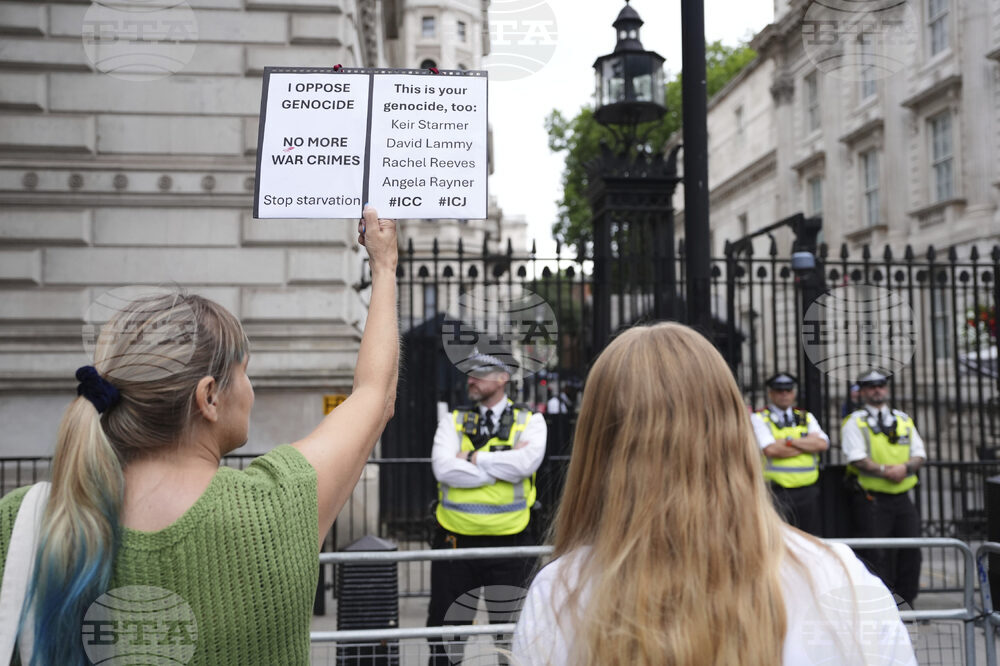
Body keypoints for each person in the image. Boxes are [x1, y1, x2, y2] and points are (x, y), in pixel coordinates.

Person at [0, 206, 398, 665]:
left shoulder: (25, 522)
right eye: (244, 372)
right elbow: (375, 396)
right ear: (208, 397)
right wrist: (383, 265)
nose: (252, 389)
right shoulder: (280, 506)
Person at [512, 323, 915, 665]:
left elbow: (812, 444)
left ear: (596, 446)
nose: (786, 396)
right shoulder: (842, 577)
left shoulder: (561, 592)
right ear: (733, 427)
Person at [427, 353, 546, 665]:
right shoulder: (452, 420)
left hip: (510, 541)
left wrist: (472, 457)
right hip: (455, 542)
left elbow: (524, 465)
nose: (470, 379)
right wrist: (501, 463)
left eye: (480, 372)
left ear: (503, 378)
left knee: (512, 636)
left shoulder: (530, 420)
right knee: (445, 634)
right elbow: (443, 469)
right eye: (469, 373)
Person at [842, 369, 926, 607]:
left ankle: (908, 603)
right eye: (870, 386)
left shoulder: (902, 419)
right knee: (878, 555)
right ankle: (885, 605)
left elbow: (919, 453)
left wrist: (904, 468)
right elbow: (856, 457)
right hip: (872, 500)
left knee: (912, 551)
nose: (877, 390)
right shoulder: (855, 422)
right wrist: (885, 471)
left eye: (880, 385)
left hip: (901, 497)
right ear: (862, 392)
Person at [750, 372, 830, 535]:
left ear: (794, 393)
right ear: (771, 393)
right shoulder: (759, 418)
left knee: (810, 539)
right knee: (779, 539)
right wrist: (805, 442)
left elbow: (822, 443)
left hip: (808, 491)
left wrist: (787, 441)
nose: (784, 394)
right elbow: (770, 449)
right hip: (778, 492)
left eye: (788, 390)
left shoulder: (806, 417)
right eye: (779, 391)